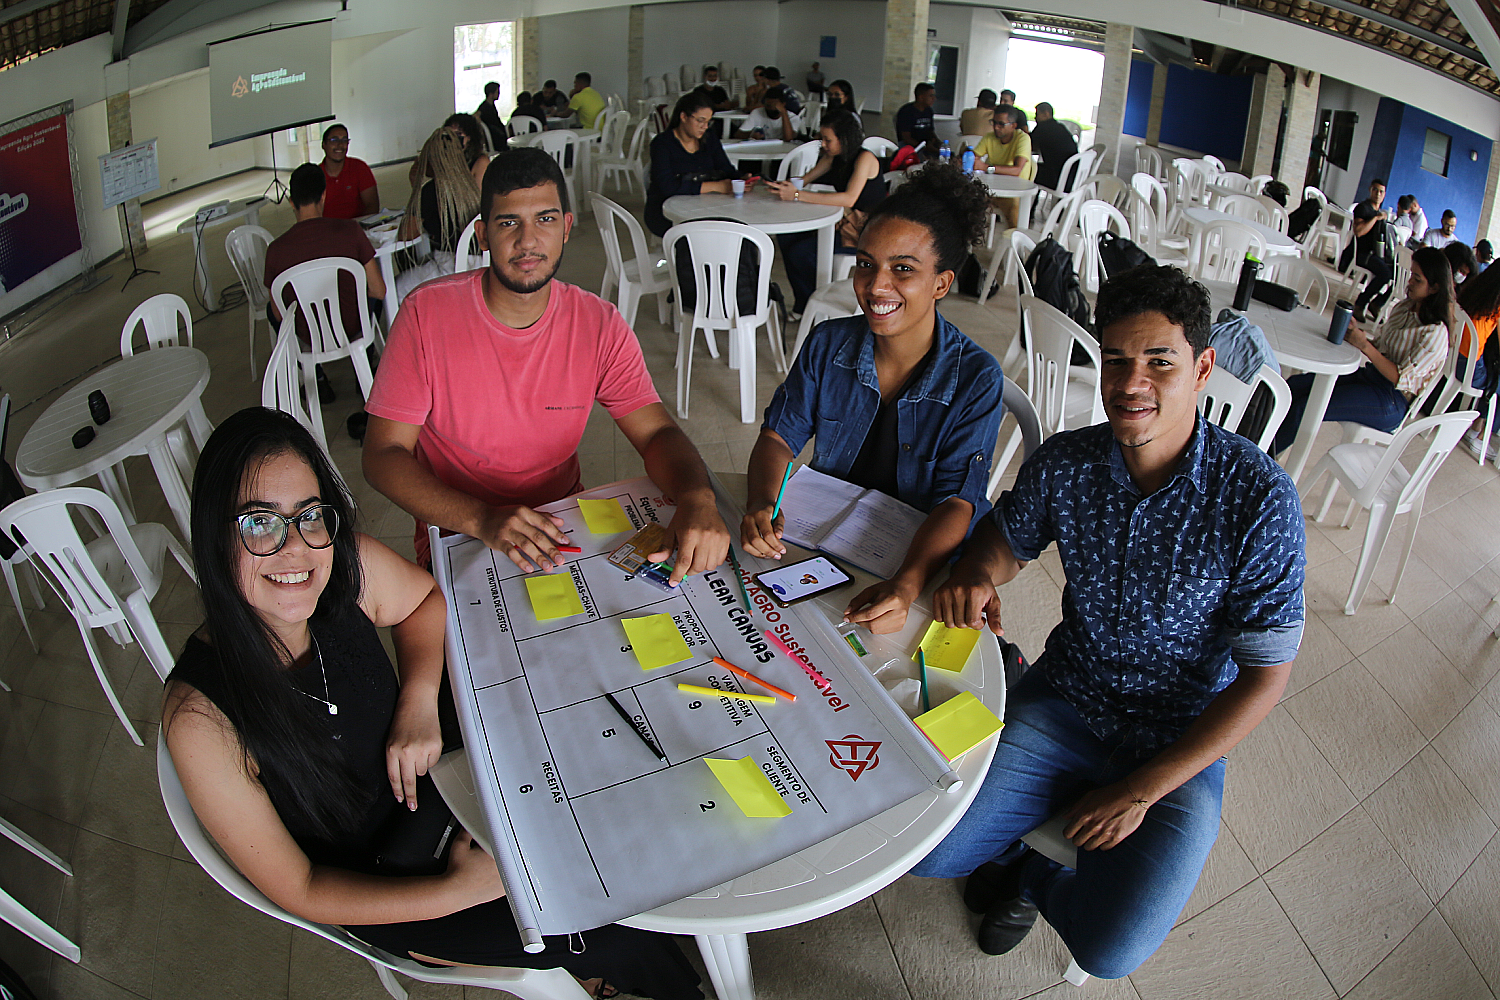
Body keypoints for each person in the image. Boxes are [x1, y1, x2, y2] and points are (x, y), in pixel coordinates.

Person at [164, 406, 704, 1000]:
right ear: (215, 534)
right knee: (602, 917)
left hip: (442, 786)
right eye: (259, 524)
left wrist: (418, 697)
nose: (295, 550)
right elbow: (303, 889)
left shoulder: (344, 566)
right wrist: (460, 890)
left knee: (612, 810)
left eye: (309, 517)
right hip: (390, 888)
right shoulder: (202, 719)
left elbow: (425, 603)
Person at [914, 264, 1305, 978]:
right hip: (1069, 699)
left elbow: (1264, 678)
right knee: (927, 852)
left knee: (1109, 950)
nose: (1132, 383)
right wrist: (976, 572)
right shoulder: (1069, 462)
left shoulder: (1258, 498)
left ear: (1203, 367)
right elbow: (1006, 542)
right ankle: (1019, 810)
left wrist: (1140, 790)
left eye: (1161, 362)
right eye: (1118, 360)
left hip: (1178, 739)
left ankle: (1033, 877)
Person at [364, 148, 731, 578]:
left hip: (559, 523)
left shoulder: (599, 324)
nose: (528, 241)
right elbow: (382, 454)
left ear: (567, 227)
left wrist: (697, 498)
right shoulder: (426, 314)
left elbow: (656, 433)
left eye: (546, 219)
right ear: (482, 235)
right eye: (508, 223)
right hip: (460, 529)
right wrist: (481, 518)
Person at [743, 162, 1003, 635]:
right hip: (829, 542)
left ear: (941, 284)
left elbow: (956, 502)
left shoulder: (976, 377)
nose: (876, 286)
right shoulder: (829, 344)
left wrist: (906, 585)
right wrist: (763, 502)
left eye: (903, 269)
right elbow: (779, 435)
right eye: (866, 264)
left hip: (920, 561)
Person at [1275, 245, 1454, 454]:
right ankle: (1259, 439)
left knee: (1307, 407)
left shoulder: (1436, 333)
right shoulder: (1404, 308)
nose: (1410, 282)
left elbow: (1399, 377)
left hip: (1391, 400)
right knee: (1294, 386)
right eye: (1412, 275)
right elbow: (1381, 347)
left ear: (1434, 288)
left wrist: (1364, 345)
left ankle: (1263, 458)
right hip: (1371, 377)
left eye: (1418, 279)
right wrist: (1356, 334)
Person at [263, 164, 387, 405]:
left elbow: (278, 313)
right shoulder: (351, 232)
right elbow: (379, 290)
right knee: (370, 294)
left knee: (271, 309)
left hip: (308, 334)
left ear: (291, 201)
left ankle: (317, 378)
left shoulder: (276, 250)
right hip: (352, 325)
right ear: (323, 195)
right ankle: (364, 362)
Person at [766, 109, 886, 316]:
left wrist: (796, 195)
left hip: (864, 232)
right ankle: (805, 303)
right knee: (787, 238)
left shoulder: (865, 159)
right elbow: (803, 181)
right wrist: (784, 186)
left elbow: (849, 198)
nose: (823, 144)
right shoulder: (834, 157)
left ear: (844, 139)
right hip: (842, 222)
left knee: (801, 252)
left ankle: (819, 300)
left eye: (827, 139)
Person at [395, 128, 481, 299]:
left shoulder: (432, 190)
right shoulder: (470, 185)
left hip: (451, 264)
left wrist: (416, 188)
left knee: (398, 288)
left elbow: (407, 234)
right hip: (479, 263)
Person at [645, 91, 742, 238]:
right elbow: (666, 186)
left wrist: (743, 180)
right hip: (666, 211)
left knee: (738, 230)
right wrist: (716, 186)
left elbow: (726, 169)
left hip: (705, 206)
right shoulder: (662, 144)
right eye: (700, 121)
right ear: (683, 117)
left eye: (708, 122)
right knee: (706, 235)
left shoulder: (709, 139)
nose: (704, 126)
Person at [1455, 261, 1500, 456]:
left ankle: (1476, 427)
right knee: (1498, 383)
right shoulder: (1497, 306)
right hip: (1468, 371)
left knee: (1494, 372)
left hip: (1451, 360)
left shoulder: (1474, 290)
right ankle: (1480, 437)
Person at [1339, 178, 1395, 322]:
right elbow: (1358, 231)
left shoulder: (1380, 212)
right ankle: (1360, 303)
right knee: (1385, 273)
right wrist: (1376, 218)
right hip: (1362, 254)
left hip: (1377, 254)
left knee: (1398, 275)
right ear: (1370, 190)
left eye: (1381, 191)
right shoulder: (1363, 208)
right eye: (1375, 190)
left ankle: (1377, 304)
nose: (1378, 194)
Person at [975, 107, 1035, 230]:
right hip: (990, 189)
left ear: (1013, 126)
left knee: (1014, 219)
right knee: (966, 200)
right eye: (994, 122)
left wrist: (986, 167)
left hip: (1013, 192)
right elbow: (974, 158)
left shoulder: (1022, 139)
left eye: (1001, 124)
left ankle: (1013, 244)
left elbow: (1017, 170)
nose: (996, 127)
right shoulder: (989, 137)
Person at [407, 114, 490, 190]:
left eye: (458, 134)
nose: (452, 138)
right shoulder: (441, 159)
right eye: (448, 134)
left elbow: (481, 199)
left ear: (470, 138)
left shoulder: (480, 162)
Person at [318, 124, 379, 220]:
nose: (340, 145)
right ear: (324, 144)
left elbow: (372, 206)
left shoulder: (359, 167)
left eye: (344, 140)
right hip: (327, 232)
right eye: (334, 140)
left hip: (358, 229)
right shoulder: (315, 175)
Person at [1029, 102, 1078, 191]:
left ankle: (1024, 200)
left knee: (1026, 168)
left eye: (1037, 114)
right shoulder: (1060, 127)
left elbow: (1028, 145)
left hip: (1057, 179)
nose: (1035, 117)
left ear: (1046, 114)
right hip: (1072, 178)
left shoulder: (1042, 128)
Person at [734, 85, 801, 141]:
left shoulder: (793, 118)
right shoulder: (757, 112)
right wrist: (751, 134)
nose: (770, 109)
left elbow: (789, 138)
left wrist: (784, 113)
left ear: (783, 104)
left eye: (774, 106)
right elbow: (738, 135)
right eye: (768, 105)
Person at [895, 83, 938, 155]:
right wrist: (925, 147)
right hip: (910, 145)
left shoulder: (929, 111)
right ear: (921, 97)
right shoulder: (906, 112)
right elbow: (906, 138)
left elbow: (931, 131)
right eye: (931, 96)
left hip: (925, 144)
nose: (934, 99)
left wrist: (936, 141)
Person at [475, 81, 506, 149]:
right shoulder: (485, 108)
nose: (499, 94)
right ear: (491, 94)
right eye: (497, 92)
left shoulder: (489, 105)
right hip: (496, 138)